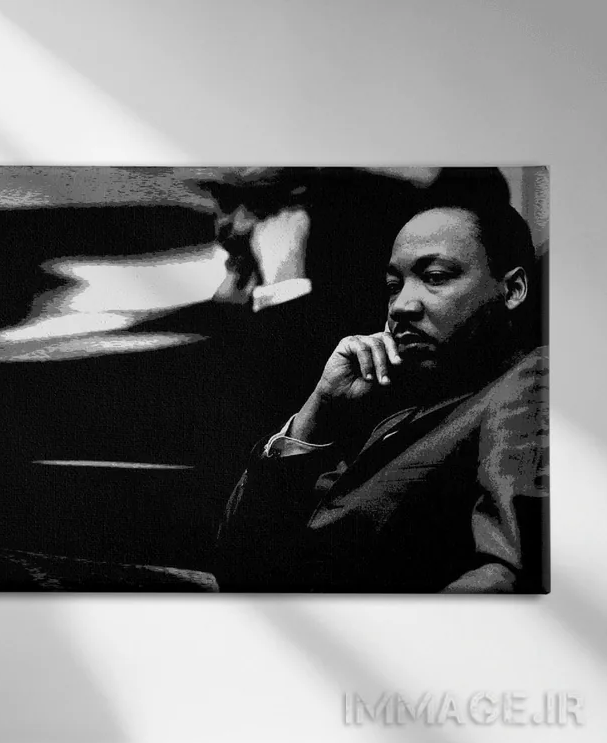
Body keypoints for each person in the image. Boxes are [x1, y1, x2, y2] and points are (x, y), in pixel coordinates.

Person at [214, 195, 549, 593]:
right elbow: (238, 559)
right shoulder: (399, 410)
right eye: (393, 286)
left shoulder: (531, 379)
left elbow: (508, 573)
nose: (401, 306)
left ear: (512, 290)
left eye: (436, 277)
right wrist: (318, 409)